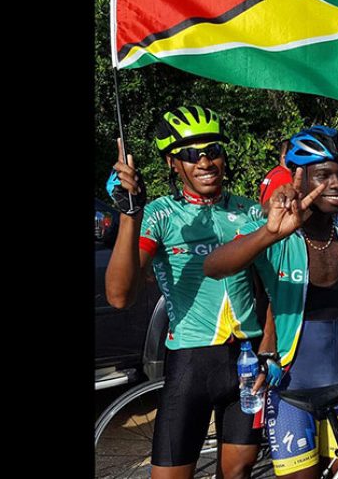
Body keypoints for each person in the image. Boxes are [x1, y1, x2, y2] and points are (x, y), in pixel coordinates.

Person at [204, 125, 338, 479]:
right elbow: (212, 267)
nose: (336, 184)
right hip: (292, 389)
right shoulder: (274, 224)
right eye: (324, 175)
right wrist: (269, 234)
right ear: (297, 177)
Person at [105, 105, 264, 479]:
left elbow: (271, 290)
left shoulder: (250, 212)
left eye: (213, 150)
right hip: (190, 366)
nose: (205, 161)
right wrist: (130, 216)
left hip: (246, 361)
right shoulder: (160, 213)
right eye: (191, 154)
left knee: (238, 472)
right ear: (172, 163)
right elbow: (119, 296)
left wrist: (269, 351)